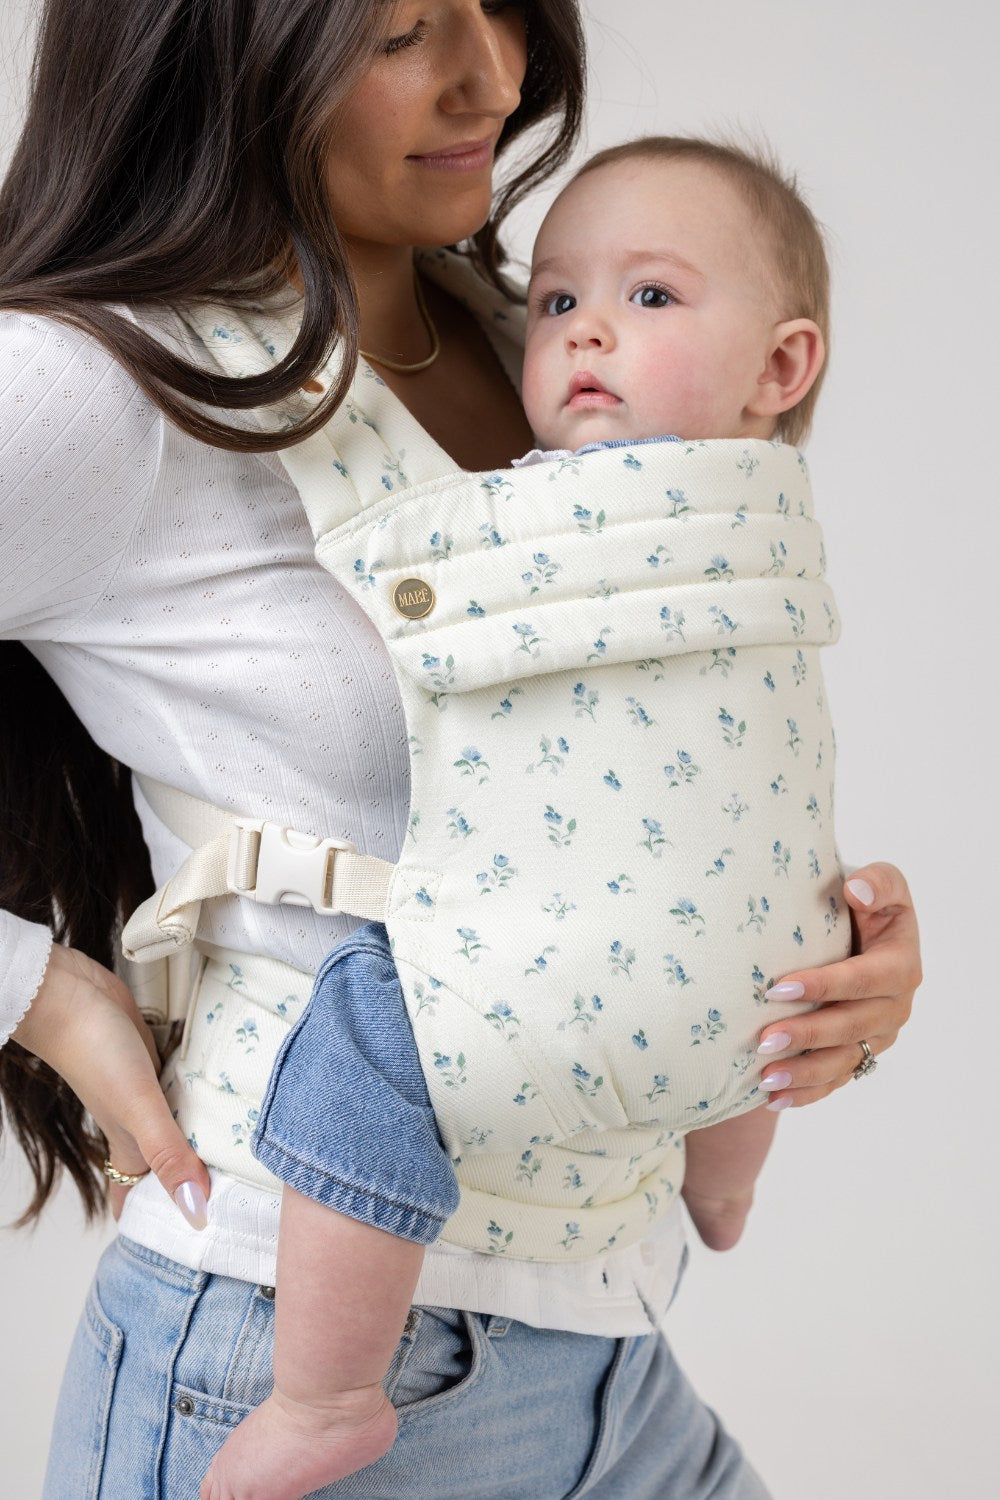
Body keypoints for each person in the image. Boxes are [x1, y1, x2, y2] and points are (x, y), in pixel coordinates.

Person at [0, 3, 921, 1497]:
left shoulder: (533, 330)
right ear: (231, 51)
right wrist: (33, 991)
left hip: (609, 1339)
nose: (493, 75)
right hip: (277, 1354)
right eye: (403, 31)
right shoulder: (98, 384)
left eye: (497, 2)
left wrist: (815, 967)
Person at [198, 134, 849, 1500]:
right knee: (777, 933)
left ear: (782, 369)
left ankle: (324, 1394)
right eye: (558, 299)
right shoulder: (779, 524)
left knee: (361, 1031)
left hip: (546, 990)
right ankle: (725, 1184)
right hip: (763, 974)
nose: (584, 329)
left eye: (651, 296)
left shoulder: (533, 508)